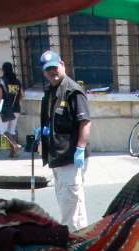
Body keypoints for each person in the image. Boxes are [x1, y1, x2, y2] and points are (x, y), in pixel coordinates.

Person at [38, 49, 91, 230]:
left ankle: (69, 239)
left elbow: (85, 122)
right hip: (57, 156)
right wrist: (43, 131)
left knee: (69, 202)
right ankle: (82, 236)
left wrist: (81, 148)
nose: (52, 72)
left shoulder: (72, 91)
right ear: (44, 72)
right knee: (73, 201)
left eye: (55, 67)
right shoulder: (51, 91)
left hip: (70, 156)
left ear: (62, 65)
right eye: (48, 69)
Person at [0, 61, 23, 158]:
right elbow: (22, 95)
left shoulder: (1, 80)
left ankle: (15, 145)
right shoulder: (17, 81)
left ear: (3, 70)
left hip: (6, 108)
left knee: (3, 131)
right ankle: (13, 153)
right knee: (12, 130)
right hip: (16, 108)